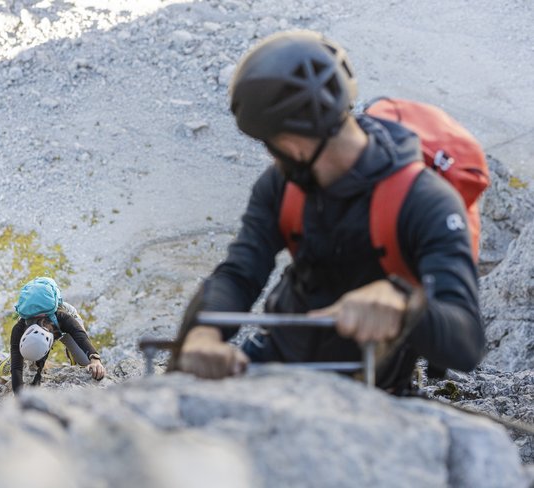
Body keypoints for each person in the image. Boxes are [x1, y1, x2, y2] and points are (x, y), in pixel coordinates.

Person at [172, 30, 485, 391]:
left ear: (292, 143)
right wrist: (203, 333)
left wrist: (404, 305)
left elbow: (466, 342)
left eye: (269, 144)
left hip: (373, 387)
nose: (271, 156)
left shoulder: (425, 202)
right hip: (274, 361)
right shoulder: (280, 185)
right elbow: (240, 272)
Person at [0, 277, 106, 393]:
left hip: (66, 329)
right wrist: (20, 396)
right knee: (28, 365)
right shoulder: (19, 329)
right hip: (37, 337)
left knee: (85, 362)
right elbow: (17, 368)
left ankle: (71, 352)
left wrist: (95, 359)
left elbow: (79, 335)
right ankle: (12, 361)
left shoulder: (63, 317)